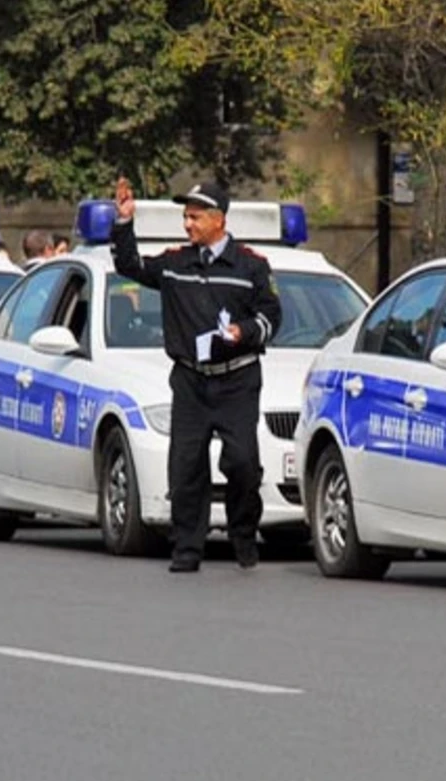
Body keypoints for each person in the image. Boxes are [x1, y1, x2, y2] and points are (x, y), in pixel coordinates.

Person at [110, 177, 282, 573]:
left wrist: (245, 332)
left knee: (241, 462)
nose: (187, 225)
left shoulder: (251, 266)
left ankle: (242, 532)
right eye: (185, 217)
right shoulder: (175, 263)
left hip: (237, 379)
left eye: (195, 217)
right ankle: (187, 548)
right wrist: (123, 223)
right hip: (190, 379)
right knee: (185, 466)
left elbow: (272, 317)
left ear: (218, 220)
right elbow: (129, 265)